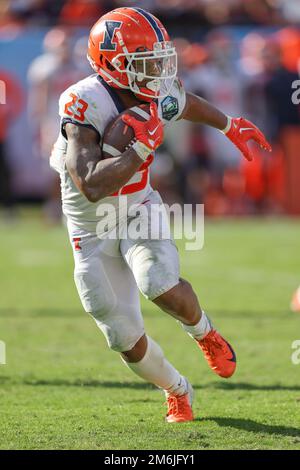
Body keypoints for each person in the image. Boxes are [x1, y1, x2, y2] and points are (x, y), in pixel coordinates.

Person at [50, 8, 271, 423]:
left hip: (139, 208)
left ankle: (204, 332)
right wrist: (139, 150)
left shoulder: (154, 89)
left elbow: (184, 103)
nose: (158, 69)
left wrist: (228, 125)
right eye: (145, 61)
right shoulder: (83, 102)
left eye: (159, 57)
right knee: (121, 335)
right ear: (112, 63)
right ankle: (177, 389)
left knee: (158, 280)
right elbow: (91, 185)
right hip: (90, 226)